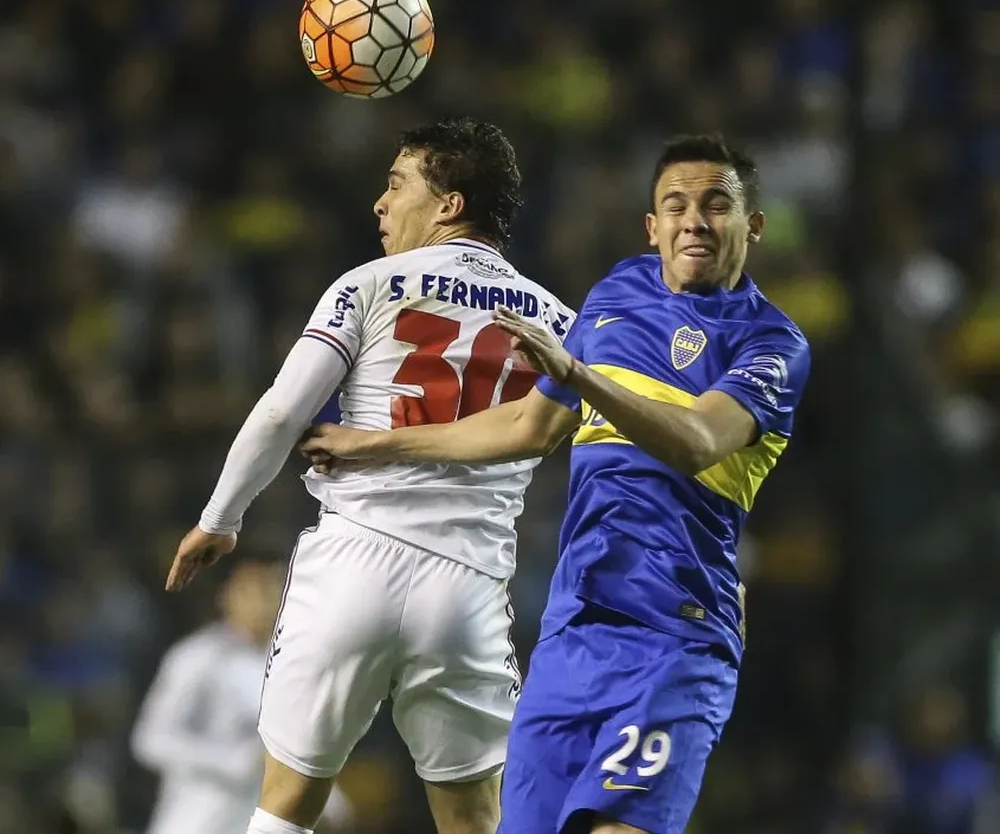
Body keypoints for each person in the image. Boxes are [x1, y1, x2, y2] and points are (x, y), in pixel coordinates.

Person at [300, 135, 812, 834]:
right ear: (652, 226)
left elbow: (696, 442)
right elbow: (529, 425)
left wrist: (579, 375)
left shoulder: (771, 343)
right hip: (573, 634)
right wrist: (378, 444)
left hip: (676, 635)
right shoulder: (616, 295)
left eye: (716, 204)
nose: (694, 219)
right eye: (676, 204)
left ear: (752, 224)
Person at [163, 117, 575, 834]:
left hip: (355, 559)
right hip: (468, 584)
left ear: (449, 204)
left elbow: (281, 411)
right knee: (474, 816)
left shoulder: (369, 285)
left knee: (288, 796)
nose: (379, 205)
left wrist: (220, 519)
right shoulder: (560, 323)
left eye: (396, 185)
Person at [132, 556, 353, 834]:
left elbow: (297, 749)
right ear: (226, 595)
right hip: (197, 818)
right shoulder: (198, 657)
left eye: (274, 588)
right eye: (254, 590)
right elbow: (151, 739)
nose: (265, 601)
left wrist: (332, 801)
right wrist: (232, 760)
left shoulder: (295, 665)